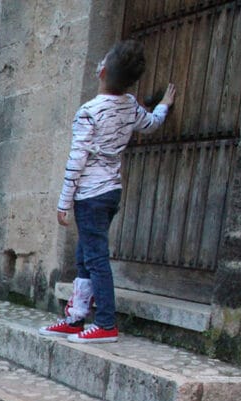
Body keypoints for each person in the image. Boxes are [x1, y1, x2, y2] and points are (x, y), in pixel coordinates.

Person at [40, 40, 176, 343]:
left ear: (102, 71)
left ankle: (105, 323)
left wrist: (64, 201)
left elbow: (77, 159)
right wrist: (164, 105)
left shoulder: (88, 112)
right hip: (110, 191)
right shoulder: (129, 105)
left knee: (95, 258)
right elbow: (152, 124)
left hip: (90, 194)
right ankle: (76, 317)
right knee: (85, 254)